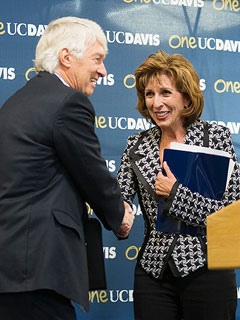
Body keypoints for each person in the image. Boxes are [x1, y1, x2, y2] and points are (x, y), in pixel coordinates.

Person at [0, 16, 134, 320]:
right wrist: (119, 215)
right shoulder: (68, 102)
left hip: (12, 268)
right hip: (37, 268)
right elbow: (92, 171)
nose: (103, 70)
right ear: (66, 57)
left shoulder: (16, 102)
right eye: (97, 59)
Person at [117, 50, 240, 320]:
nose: (156, 103)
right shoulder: (136, 145)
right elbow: (121, 197)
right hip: (153, 273)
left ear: (186, 97)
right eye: (149, 94)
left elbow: (229, 214)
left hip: (209, 268)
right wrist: (119, 214)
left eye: (165, 93)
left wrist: (176, 194)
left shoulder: (214, 138)